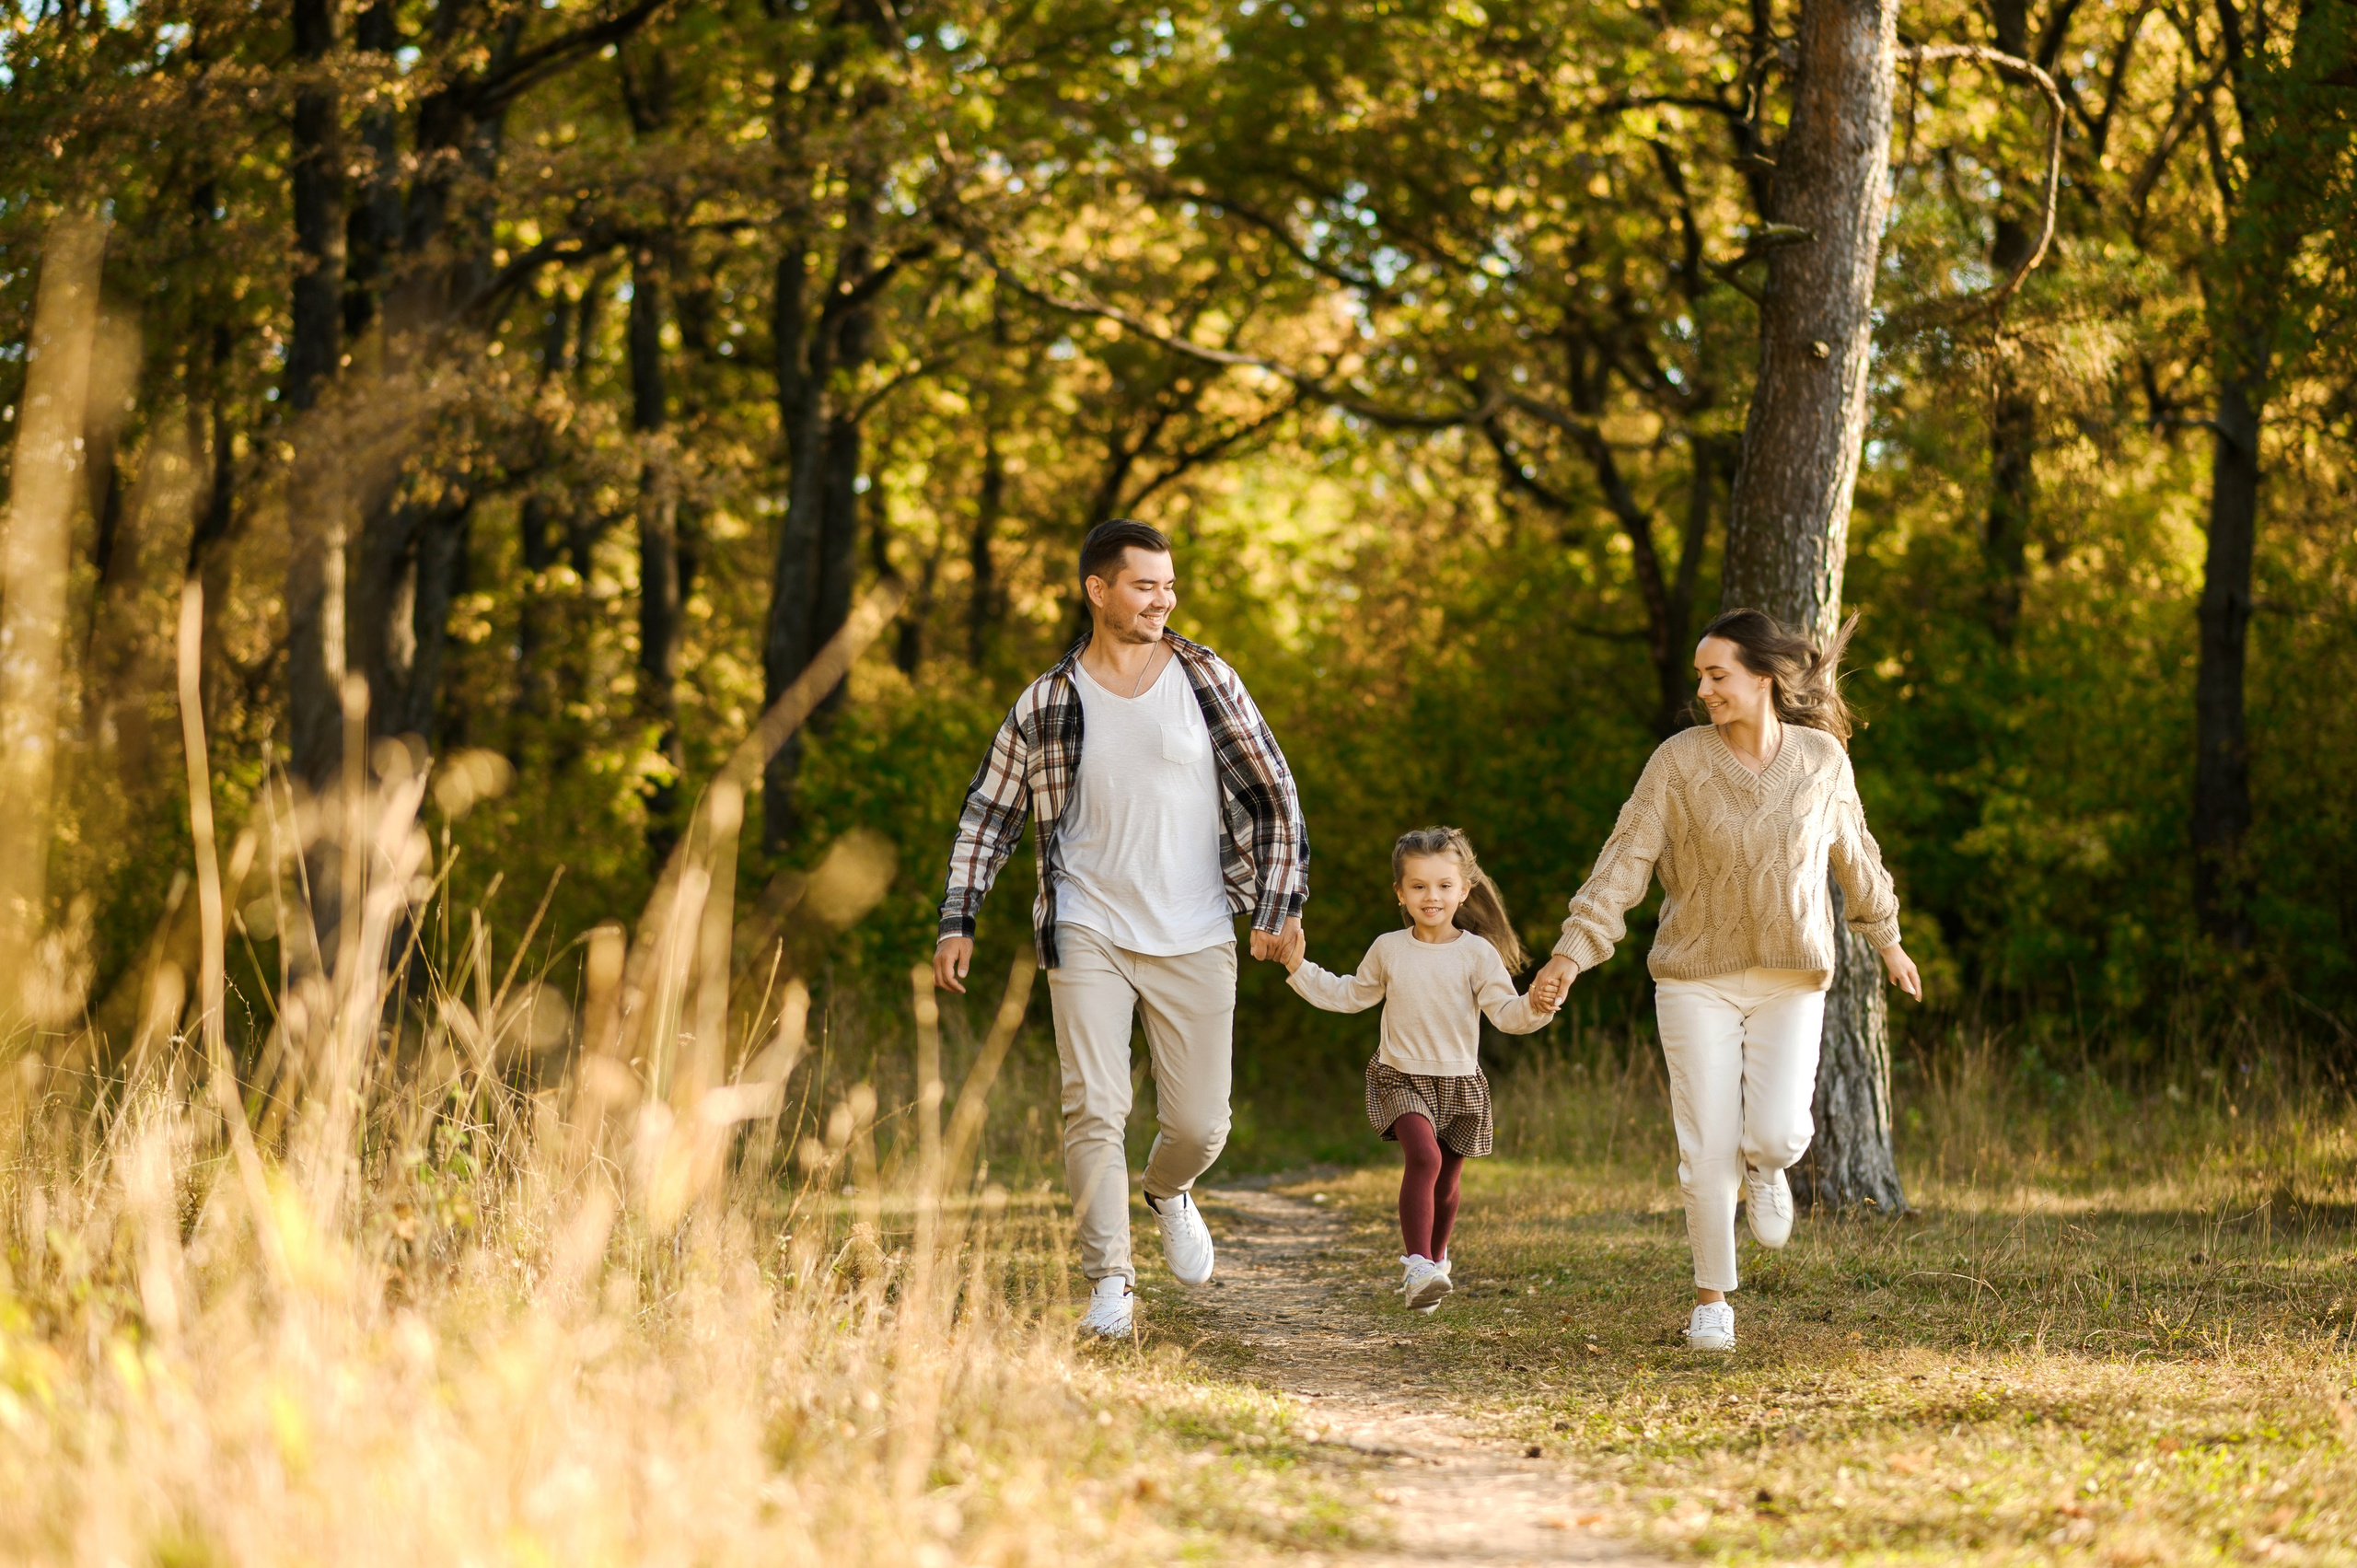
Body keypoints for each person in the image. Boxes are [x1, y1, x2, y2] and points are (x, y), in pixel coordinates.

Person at [933, 519, 1309, 1339]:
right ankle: (1111, 1281)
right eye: (1146, 585)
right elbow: (986, 815)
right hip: (1087, 923)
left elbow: (1274, 792)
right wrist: (958, 917)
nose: (1163, 599)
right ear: (1098, 590)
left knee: (1201, 1123)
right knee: (1094, 1106)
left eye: (1169, 586)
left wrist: (1280, 906)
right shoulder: (1047, 701)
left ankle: (1168, 1189)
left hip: (1197, 925)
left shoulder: (1205, 677)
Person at [1527, 610, 1922, 1353]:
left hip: (1791, 978)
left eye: (1718, 675)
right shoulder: (1677, 763)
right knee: (1704, 1147)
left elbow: (1857, 856)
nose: (1703, 689)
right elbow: (1623, 864)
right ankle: (1713, 1301)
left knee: (1775, 1131)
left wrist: (1889, 939)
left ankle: (1766, 1164)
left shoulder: (1822, 760)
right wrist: (1569, 954)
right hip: (1694, 976)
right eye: (1700, 676)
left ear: (1763, 677)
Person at [1285, 828, 1557, 1312]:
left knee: (1448, 1186)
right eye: (1418, 887)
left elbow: (1506, 1014)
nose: (1431, 897)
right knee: (1425, 1160)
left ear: (1464, 890)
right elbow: (1350, 994)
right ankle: (1416, 1266)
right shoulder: (1389, 948)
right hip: (1400, 1076)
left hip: (1460, 1082)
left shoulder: (1477, 954)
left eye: (1443, 886)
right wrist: (1299, 967)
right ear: (1400, 893)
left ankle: (1436, 1261)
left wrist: (1536, 1005)